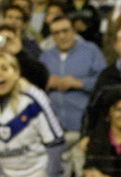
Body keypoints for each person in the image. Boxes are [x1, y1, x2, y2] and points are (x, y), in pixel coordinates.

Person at [39, 15, 106, 150]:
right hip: (54, 131)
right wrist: (45, 83)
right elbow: (34, 87)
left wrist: (79, 83)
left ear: (74, 32)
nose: (62, 36)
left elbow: (104, 82)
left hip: (83, 130)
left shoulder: (91, 51)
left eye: (65, 31)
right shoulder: (45, 56)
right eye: (56, 33)